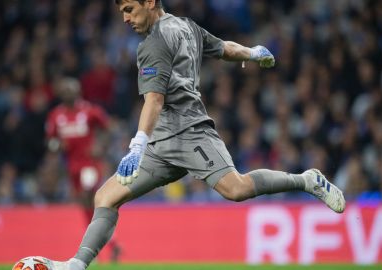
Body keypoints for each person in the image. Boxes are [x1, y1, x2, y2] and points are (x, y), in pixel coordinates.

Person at [38, 1, 345, 269]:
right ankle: (76, 265)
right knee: (105, 196)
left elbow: (154, 100)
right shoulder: (187, 27)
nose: (125, 19)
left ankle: (307, 180)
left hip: (190, 134)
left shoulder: (152, 45)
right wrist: (252, 53)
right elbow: (224, 48)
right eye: (122, 12)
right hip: (162, 144)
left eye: (129, 9)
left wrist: (136, 145)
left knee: (236, 189)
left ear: (149, 2)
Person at [46, 77, 109, 221]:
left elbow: (107, 128)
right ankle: (97, 231)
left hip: (89, 163)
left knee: (88, 192)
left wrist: (99, 145)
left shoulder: (89, 110)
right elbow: (50, 141)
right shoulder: (56, 115)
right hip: (72, 166)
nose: (68, 93)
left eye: (71, 89)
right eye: (65, 90)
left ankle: (99, 229)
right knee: (84, 201)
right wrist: (58, 145)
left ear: (78, 91)